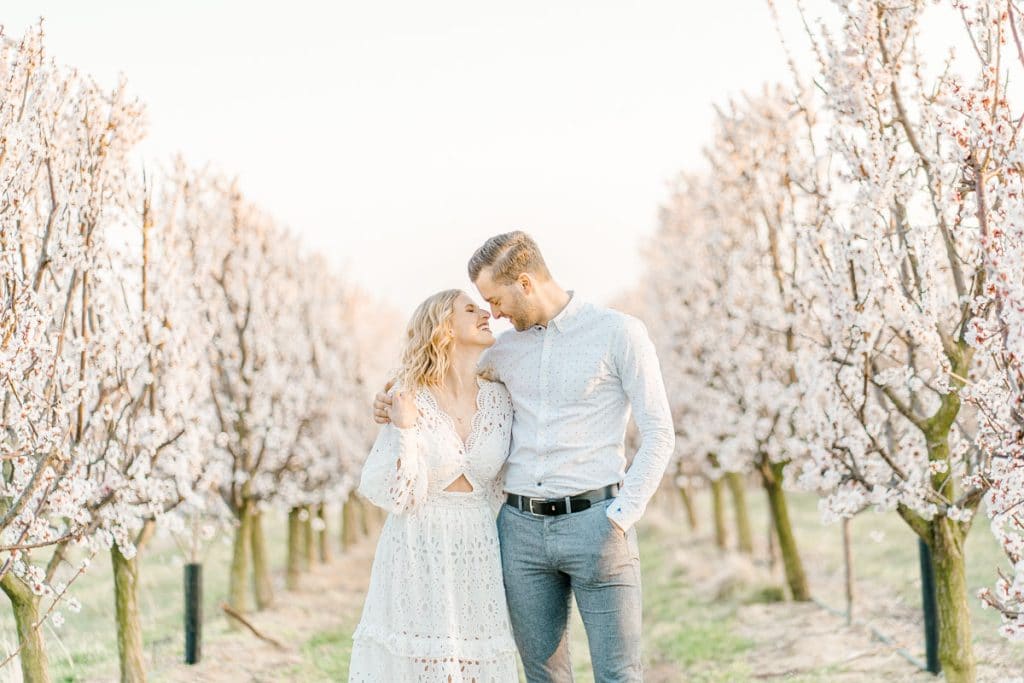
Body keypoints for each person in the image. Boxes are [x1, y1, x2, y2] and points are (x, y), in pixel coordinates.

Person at [374, 232, 675, 683]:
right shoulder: (501, 351)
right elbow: (440, 381)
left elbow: (659, 432)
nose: (493, 314)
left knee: (620, 674)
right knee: (542, 675)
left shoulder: (619, 333)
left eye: (495, 300)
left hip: (599, 523)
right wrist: (388, 403)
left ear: (526, 283)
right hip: (520, 533)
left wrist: (621, 516)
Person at [349, 289, 519, 682]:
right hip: (417, 545)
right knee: (422, 664)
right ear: (444, 328)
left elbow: (504, 483)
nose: (485, 314)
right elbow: (399, 495)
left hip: (477, 547)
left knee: (474, 665)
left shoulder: (500, 398)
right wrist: (405, 428)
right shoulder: (408, 398)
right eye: (470, 309)